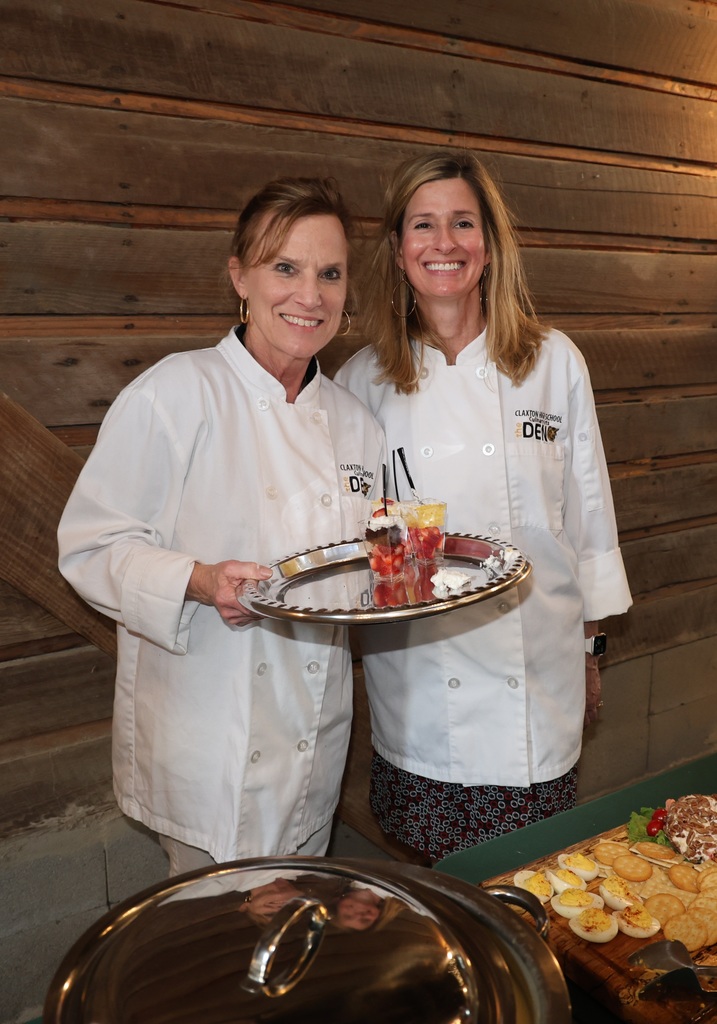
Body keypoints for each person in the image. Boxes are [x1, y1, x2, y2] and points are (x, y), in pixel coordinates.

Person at [58, 176, 386, 875]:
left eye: (329, 274)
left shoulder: (356, 423)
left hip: (313, 741)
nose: (309, 295)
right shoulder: (175, 392)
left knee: (299, 925)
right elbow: (91, 547)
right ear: (240, 277)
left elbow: (360, 571)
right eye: (285, 268)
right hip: (207, 743)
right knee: (208, 934)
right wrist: (200, 581)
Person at [335, 151, 632, 862]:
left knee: (532, 882)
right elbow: (347, 541)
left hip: (538, 686)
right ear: (398, 250)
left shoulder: (553, 362)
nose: (444, 243)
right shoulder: (361, 382)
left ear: (491, 245)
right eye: (423, 225)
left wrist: (590, 654)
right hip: (423, 694)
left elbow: (588, 524)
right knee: (435, 888)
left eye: (463, 223)